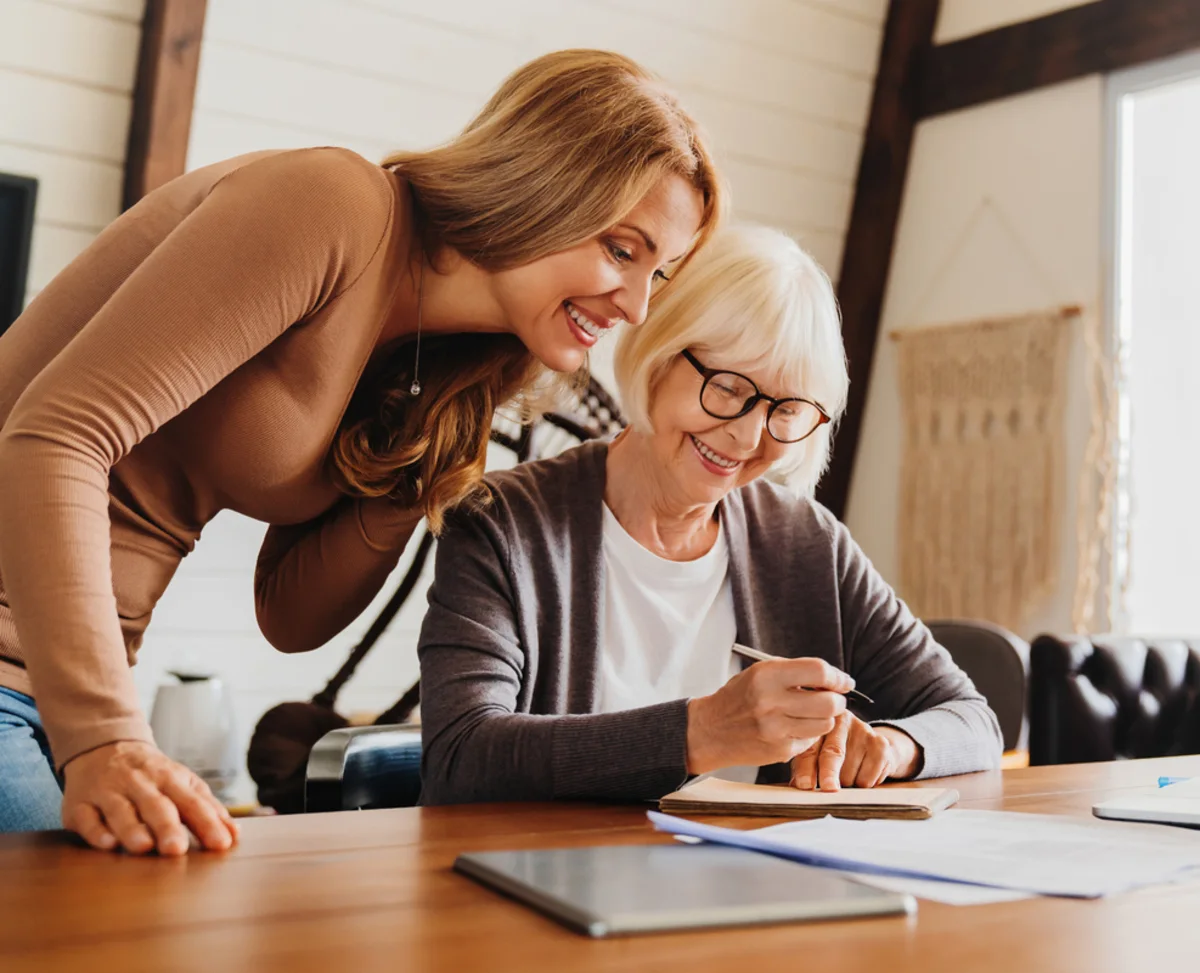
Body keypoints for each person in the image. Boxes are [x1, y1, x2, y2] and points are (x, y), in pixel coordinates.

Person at [0, 49, 723, 850]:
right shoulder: (335, 205)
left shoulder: (449, 374)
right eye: (624, 250)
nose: (636, 303)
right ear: (543, 184)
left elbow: (290, 615)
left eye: (661, 274)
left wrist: (421, 470)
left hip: (47, 688)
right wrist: (104, 736)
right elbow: (54, 434)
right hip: (44, 692)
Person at [418, 225, 1002, 805]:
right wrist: (702, 732)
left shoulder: (805, 543)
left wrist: (888, 747)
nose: (748, 436)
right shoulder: (503, 525)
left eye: (787, 409)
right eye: (727, 388)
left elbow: (973, 720)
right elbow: (461, 756)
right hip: (544, 885)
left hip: (756, 887)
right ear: (660, 355)